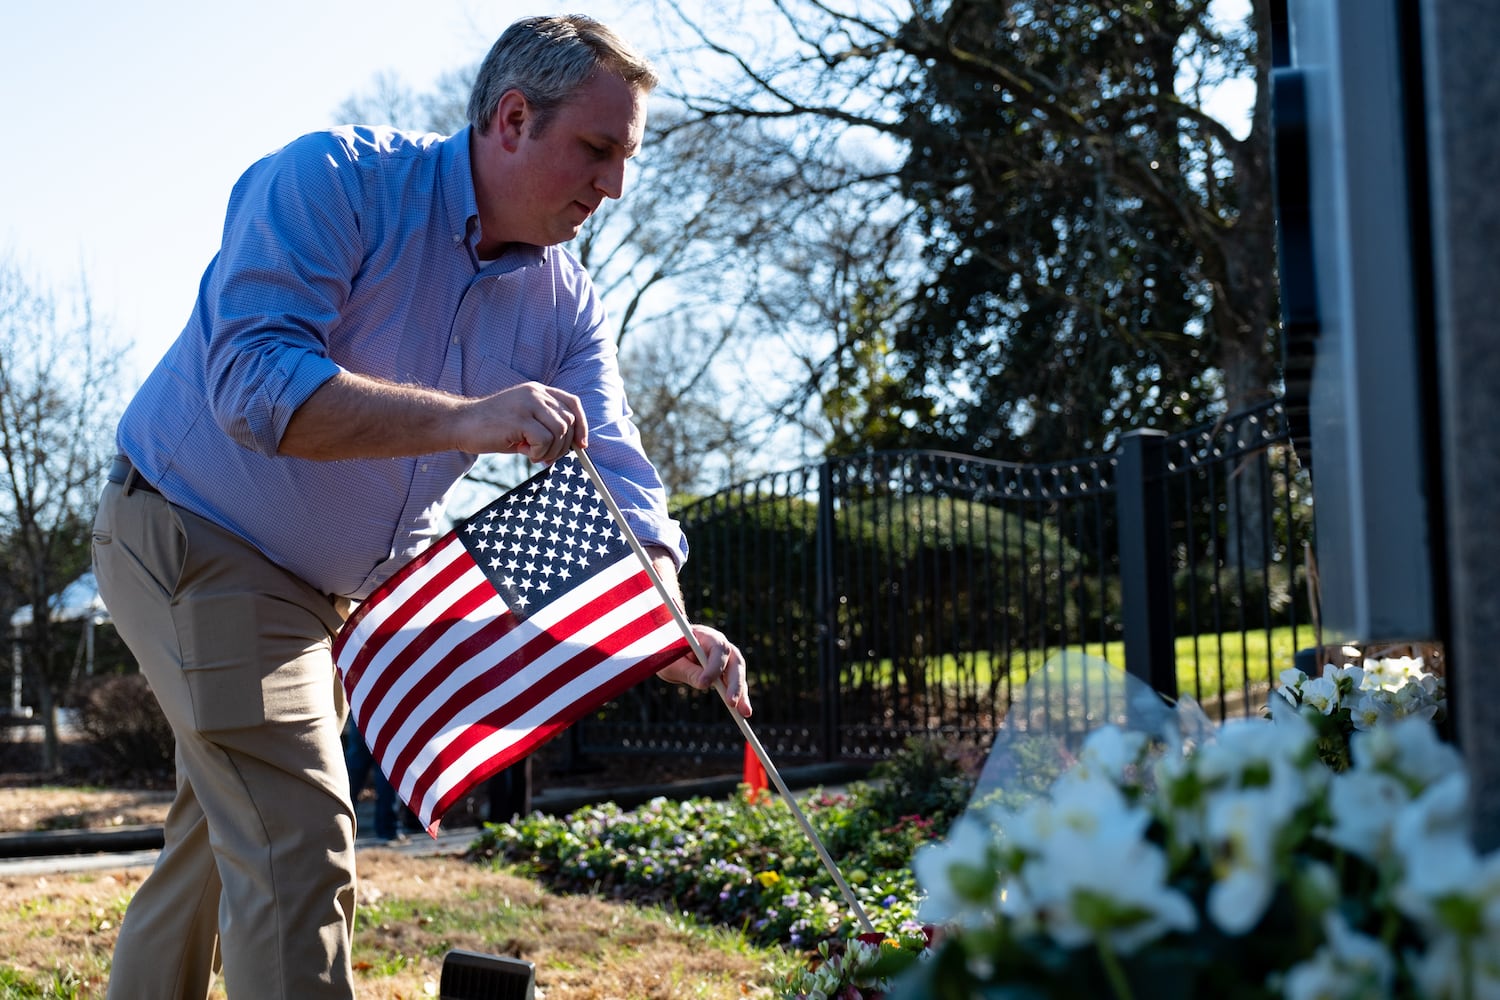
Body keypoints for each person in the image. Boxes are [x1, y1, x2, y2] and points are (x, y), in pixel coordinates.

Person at [90, 15, 752, 1000]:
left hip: (325, 603)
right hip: (193, 535)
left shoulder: (564, 304)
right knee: (297, 838)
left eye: (628, 157)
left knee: (214, 853)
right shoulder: (335, 183)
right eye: (598, 149)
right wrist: (471, 420)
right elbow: (256, 387)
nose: (614, 184)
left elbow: (618, 481)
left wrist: (658, 611)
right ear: (514, 118)